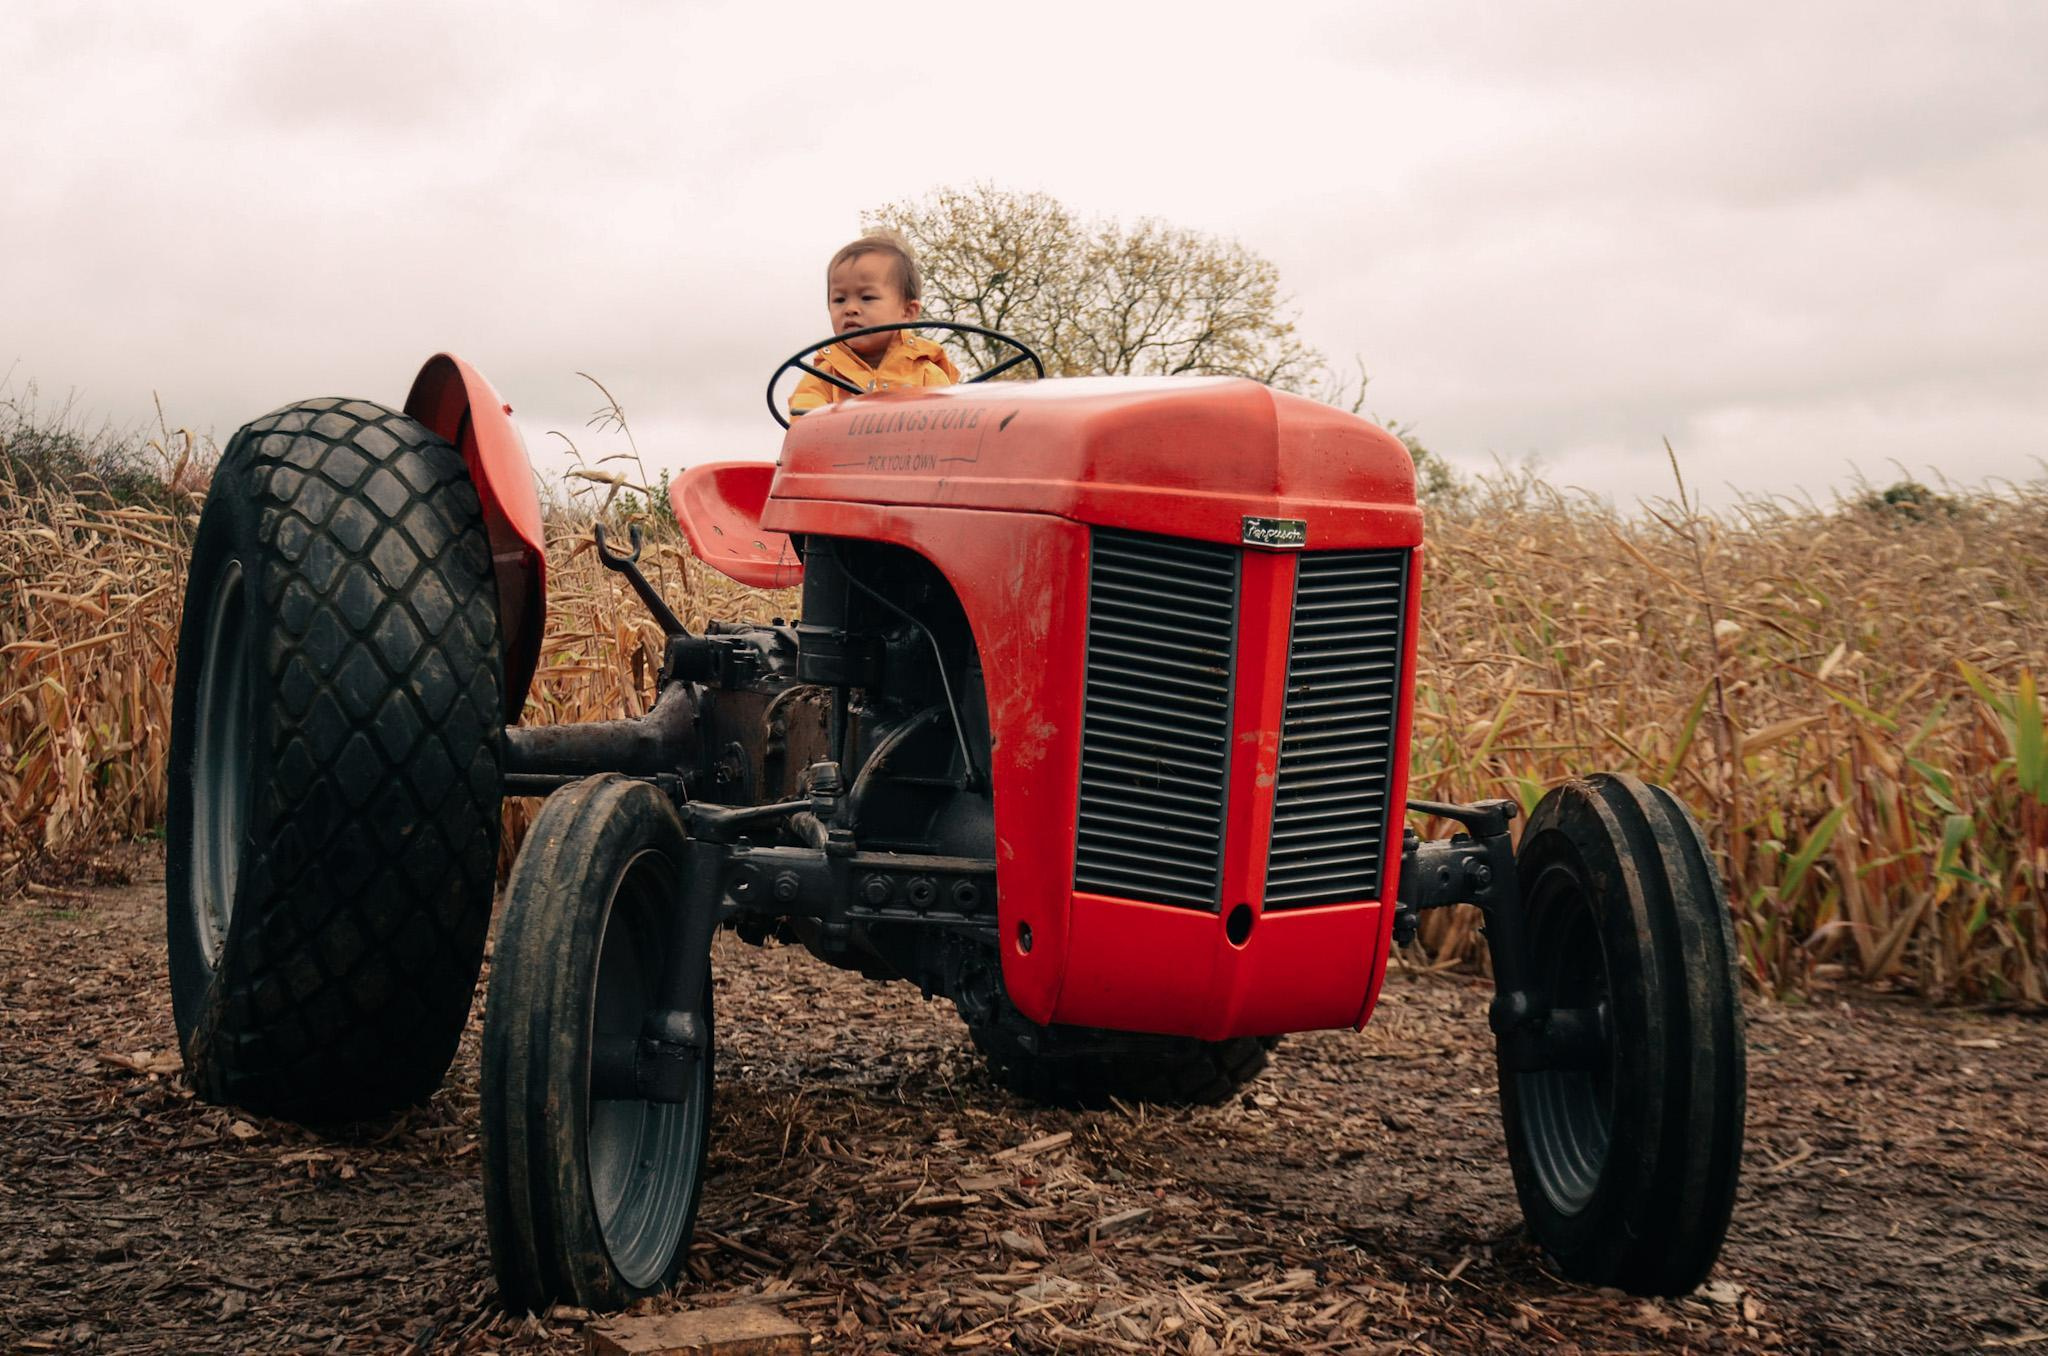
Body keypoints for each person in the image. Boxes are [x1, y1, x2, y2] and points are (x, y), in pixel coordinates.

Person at [789, 230, 959, 418]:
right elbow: (805, 422)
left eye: (867, 297)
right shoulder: (823, 378)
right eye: (839, 299)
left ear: (907, 311)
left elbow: (947, 425)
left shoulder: (927, 374)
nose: (850, 308)